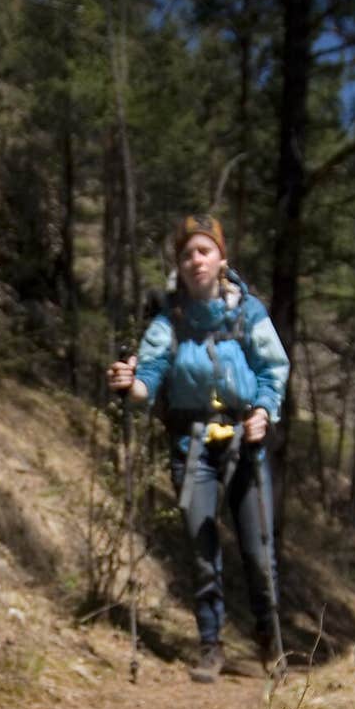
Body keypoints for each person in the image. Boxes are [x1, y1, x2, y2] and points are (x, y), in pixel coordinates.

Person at [106, 213, 290, 682]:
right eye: (187, 253)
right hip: (193, 450)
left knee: (258, 551)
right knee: (203, 549)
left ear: (221, 258)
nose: (195, 259)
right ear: (180, 265)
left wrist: (263, 413)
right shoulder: (170, 321)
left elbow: (274, 369)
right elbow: (148, 380)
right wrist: (130, 384)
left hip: (246, 447)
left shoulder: (248, 313)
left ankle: (271, 643)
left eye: (203, 250)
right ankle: (211, 647)